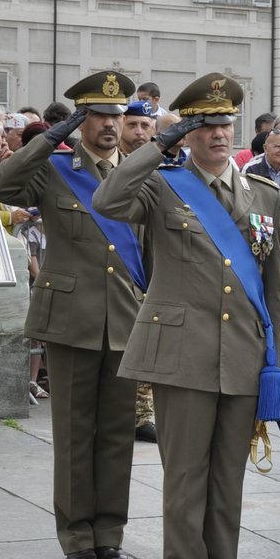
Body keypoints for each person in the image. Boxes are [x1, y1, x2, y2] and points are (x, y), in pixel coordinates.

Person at [94, 73, 280, 559]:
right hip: (181, 352)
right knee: (184, 480)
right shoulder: (162, 184)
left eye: (225, 123)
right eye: (206, 125)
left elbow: (268, 288)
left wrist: (274, 359)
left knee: (228, 480)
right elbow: (107, 198)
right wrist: (160, 145)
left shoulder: (264, 195)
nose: (218, 134)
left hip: (243, 356)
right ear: (189, 133)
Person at [0, 72, 143, 559]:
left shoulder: (143, 172)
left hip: (125, 317)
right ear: (81, 120)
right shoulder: (56, 168)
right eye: (98, 115)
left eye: (118, 116)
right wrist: (51, 136)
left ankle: (109, 532)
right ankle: (76, 535)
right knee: (76, 431)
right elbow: (0, 185)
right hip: (70, 318)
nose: (110, 125)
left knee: (119, 431)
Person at [118, 99, 160, 442]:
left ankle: (143, 413)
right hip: (117, 273)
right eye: (132, 125)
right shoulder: (113, 170)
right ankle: (126, 411)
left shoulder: (160, 170)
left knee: (148, 345)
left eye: (146, 126)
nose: (139, 133)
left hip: (151, 270)